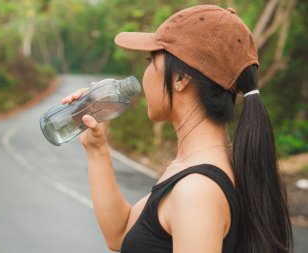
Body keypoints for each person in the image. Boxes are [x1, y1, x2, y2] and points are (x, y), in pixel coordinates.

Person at [61, 5, 293, 253]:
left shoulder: (196, 190)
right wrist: (96, 146)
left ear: (181, 78)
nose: (145, 73)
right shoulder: (199, 168)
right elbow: (119, 234)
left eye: (151, 60)